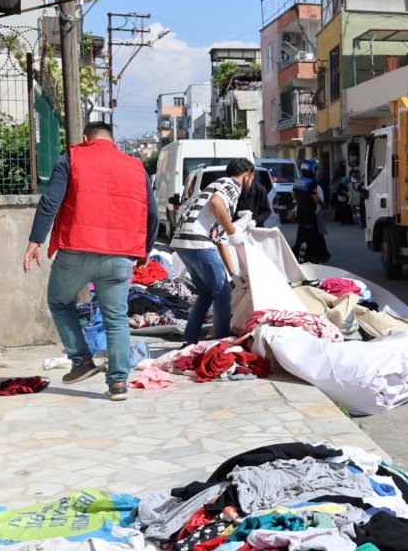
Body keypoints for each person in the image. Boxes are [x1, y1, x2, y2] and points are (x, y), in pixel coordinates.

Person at [23, 121, 157, 401]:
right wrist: (146, 247)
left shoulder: (71, 158)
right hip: (120, 256)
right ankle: (119, 383)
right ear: (113, 140)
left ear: (86, 138)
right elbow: (152, 212)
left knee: (60, 302)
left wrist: (36, 240)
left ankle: (81, 361)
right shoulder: (136, 166)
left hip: (77, 250)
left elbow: (50, 201)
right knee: (117, 319)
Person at [171, 159, 256, 346]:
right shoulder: (231, 184)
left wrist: (233, 273)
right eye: (252, 179)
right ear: (247, 175)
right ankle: (223, 343)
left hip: (183, 242)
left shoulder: (216, 185)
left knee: (206, 293)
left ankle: (189, 340)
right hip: (198, 242)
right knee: (223, 293)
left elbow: (221, 239)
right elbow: (216, 203)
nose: (252, 184)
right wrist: (234, 232)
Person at [293, 159, 332, 263]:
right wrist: (323, 205)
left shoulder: (298, 180)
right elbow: (316, 198)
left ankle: (319, 254)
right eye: (315, 169)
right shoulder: (311, 182)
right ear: (311, 169)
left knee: (303, 233)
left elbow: (293, 195)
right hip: (309, 213)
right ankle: (307, 257)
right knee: (308, 236)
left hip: (300, 212)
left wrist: (301, 200)